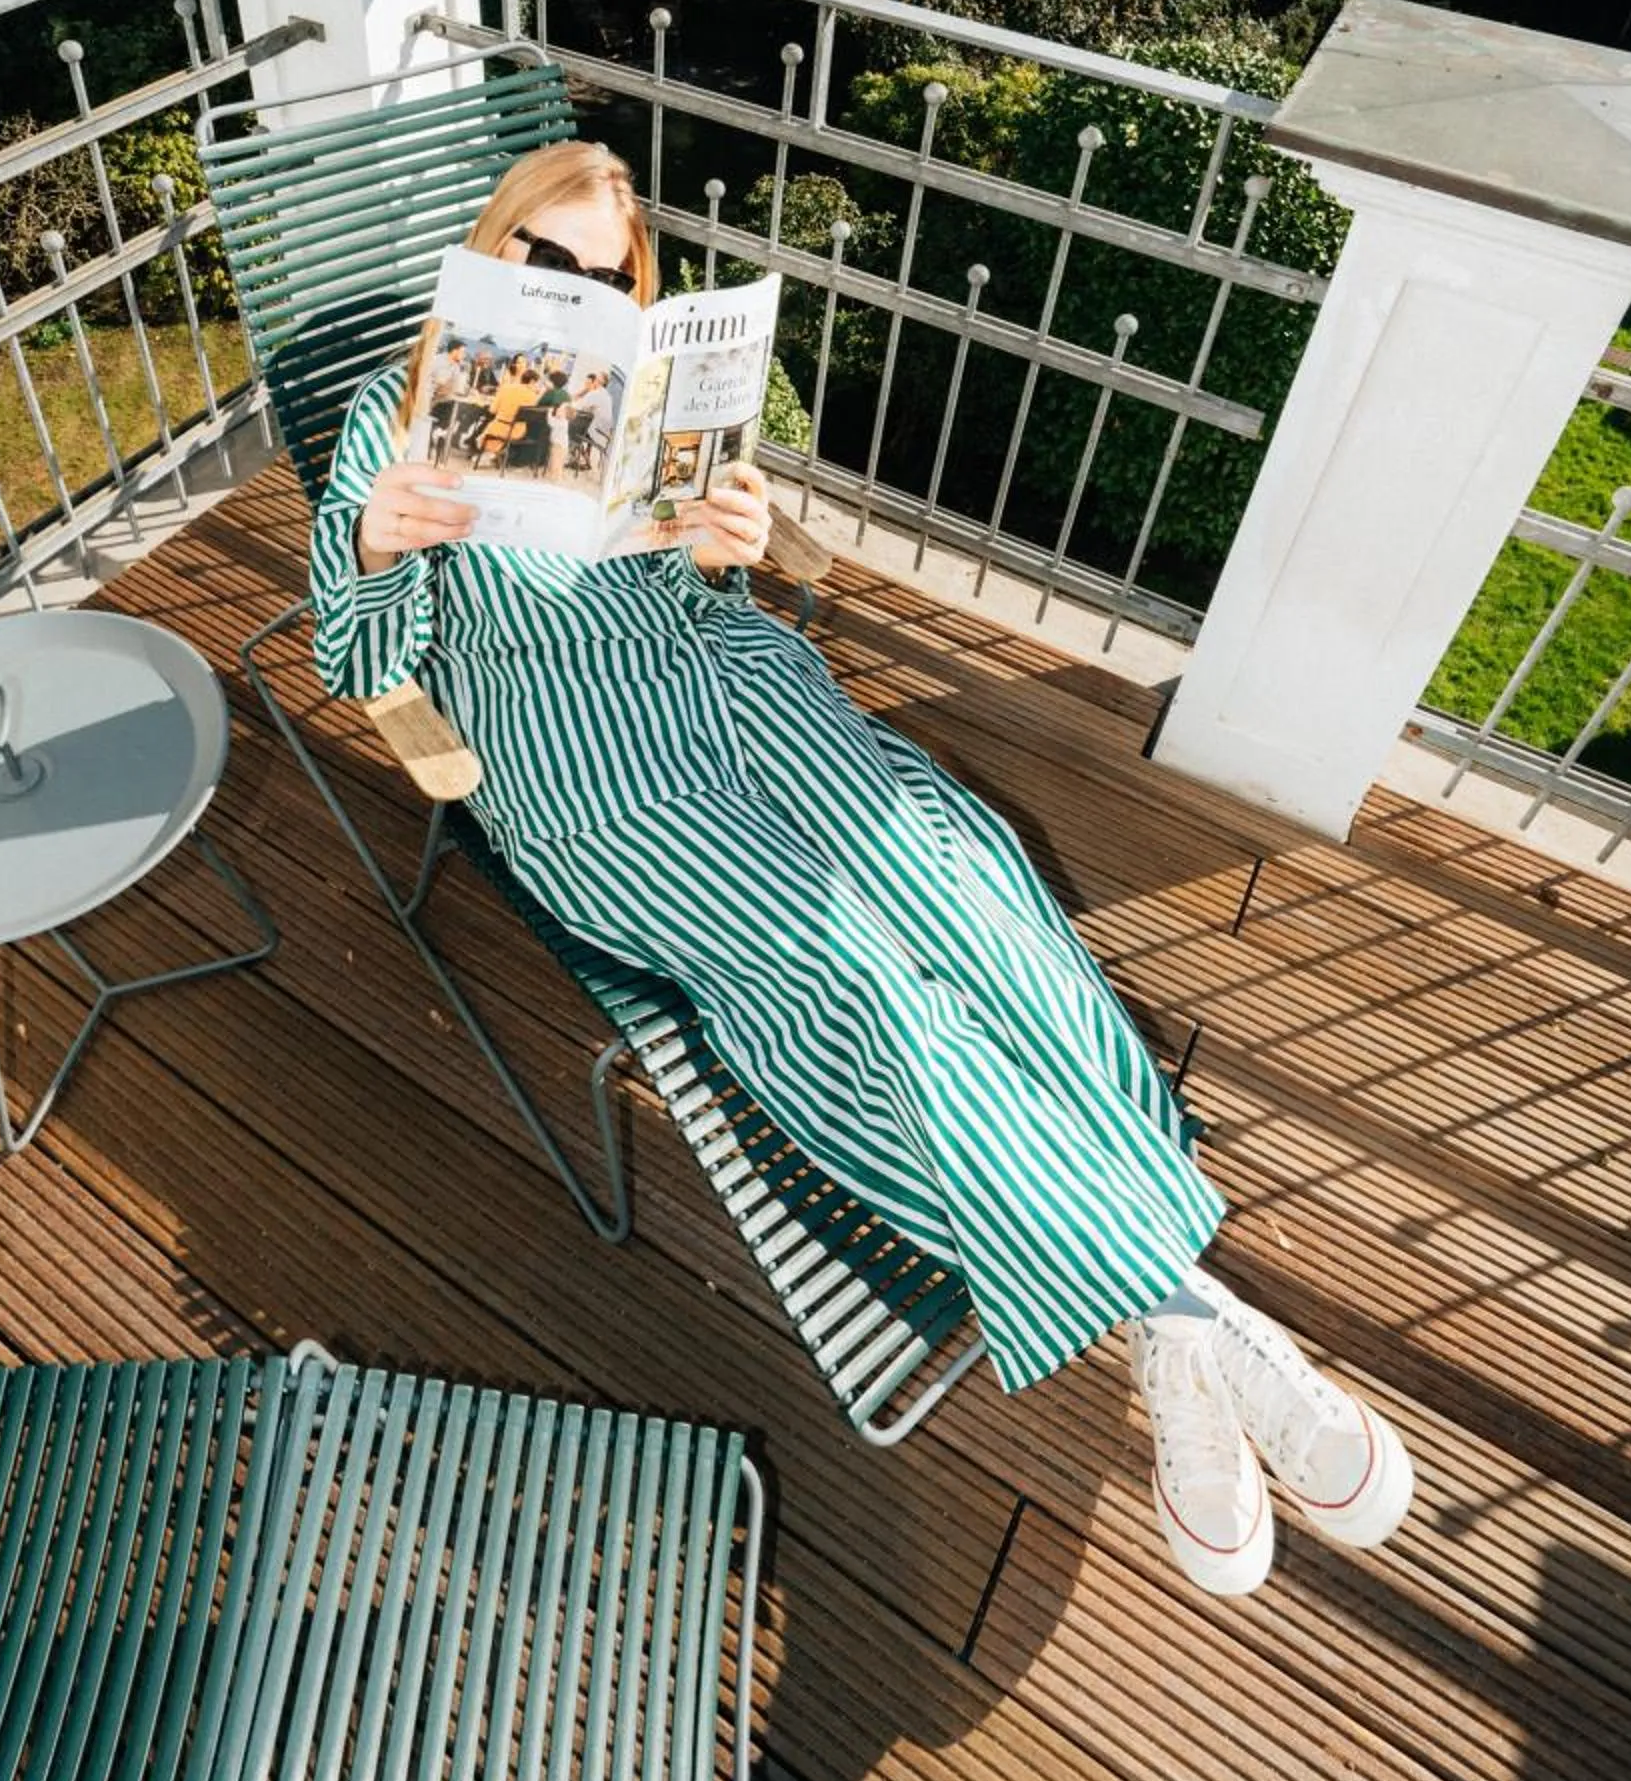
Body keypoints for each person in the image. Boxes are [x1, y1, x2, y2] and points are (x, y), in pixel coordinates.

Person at [311, 141, 1414, 1598]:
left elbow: (721, 560)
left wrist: (739, 539)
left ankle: (1178, 1324)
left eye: (607, 274)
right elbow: (361, 667)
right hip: (592, 775)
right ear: (495, 249)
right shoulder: (396, 426)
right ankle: (1186, 1310)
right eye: (546, 261)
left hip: (746, 689)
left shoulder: (646, 391)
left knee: (963, 871)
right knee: (849, 978)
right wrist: (382, 551)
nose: (575, 290)